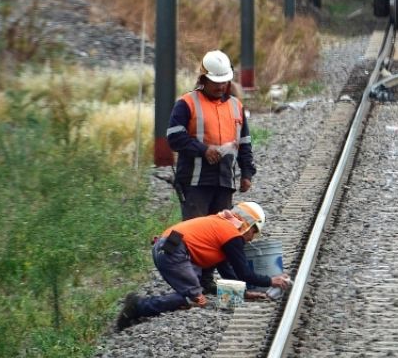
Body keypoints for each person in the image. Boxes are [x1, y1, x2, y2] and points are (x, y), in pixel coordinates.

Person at [115, 202, 291, 331]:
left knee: (197, 291)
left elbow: (225, 269)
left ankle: (196, 288)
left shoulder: (222, 225)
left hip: (169, 247)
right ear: (249, 224)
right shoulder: (232, 235)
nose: (252, 238)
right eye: (254, 232)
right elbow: (244, 273)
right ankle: (138, 306)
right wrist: (271, 280)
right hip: (172, 251)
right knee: (193, 298)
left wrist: (242, 293)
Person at [168, 49, 257, 220]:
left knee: (220, 234)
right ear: (203, 79)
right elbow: (174, 138)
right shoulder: (186, 103)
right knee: (197, 233)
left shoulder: (236, 106)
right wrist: (203, 150)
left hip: (224, 182)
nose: (221, 86)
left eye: (224, 81)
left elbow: (244, 143)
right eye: (216, 82)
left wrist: (246, 173)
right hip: (195, 184)